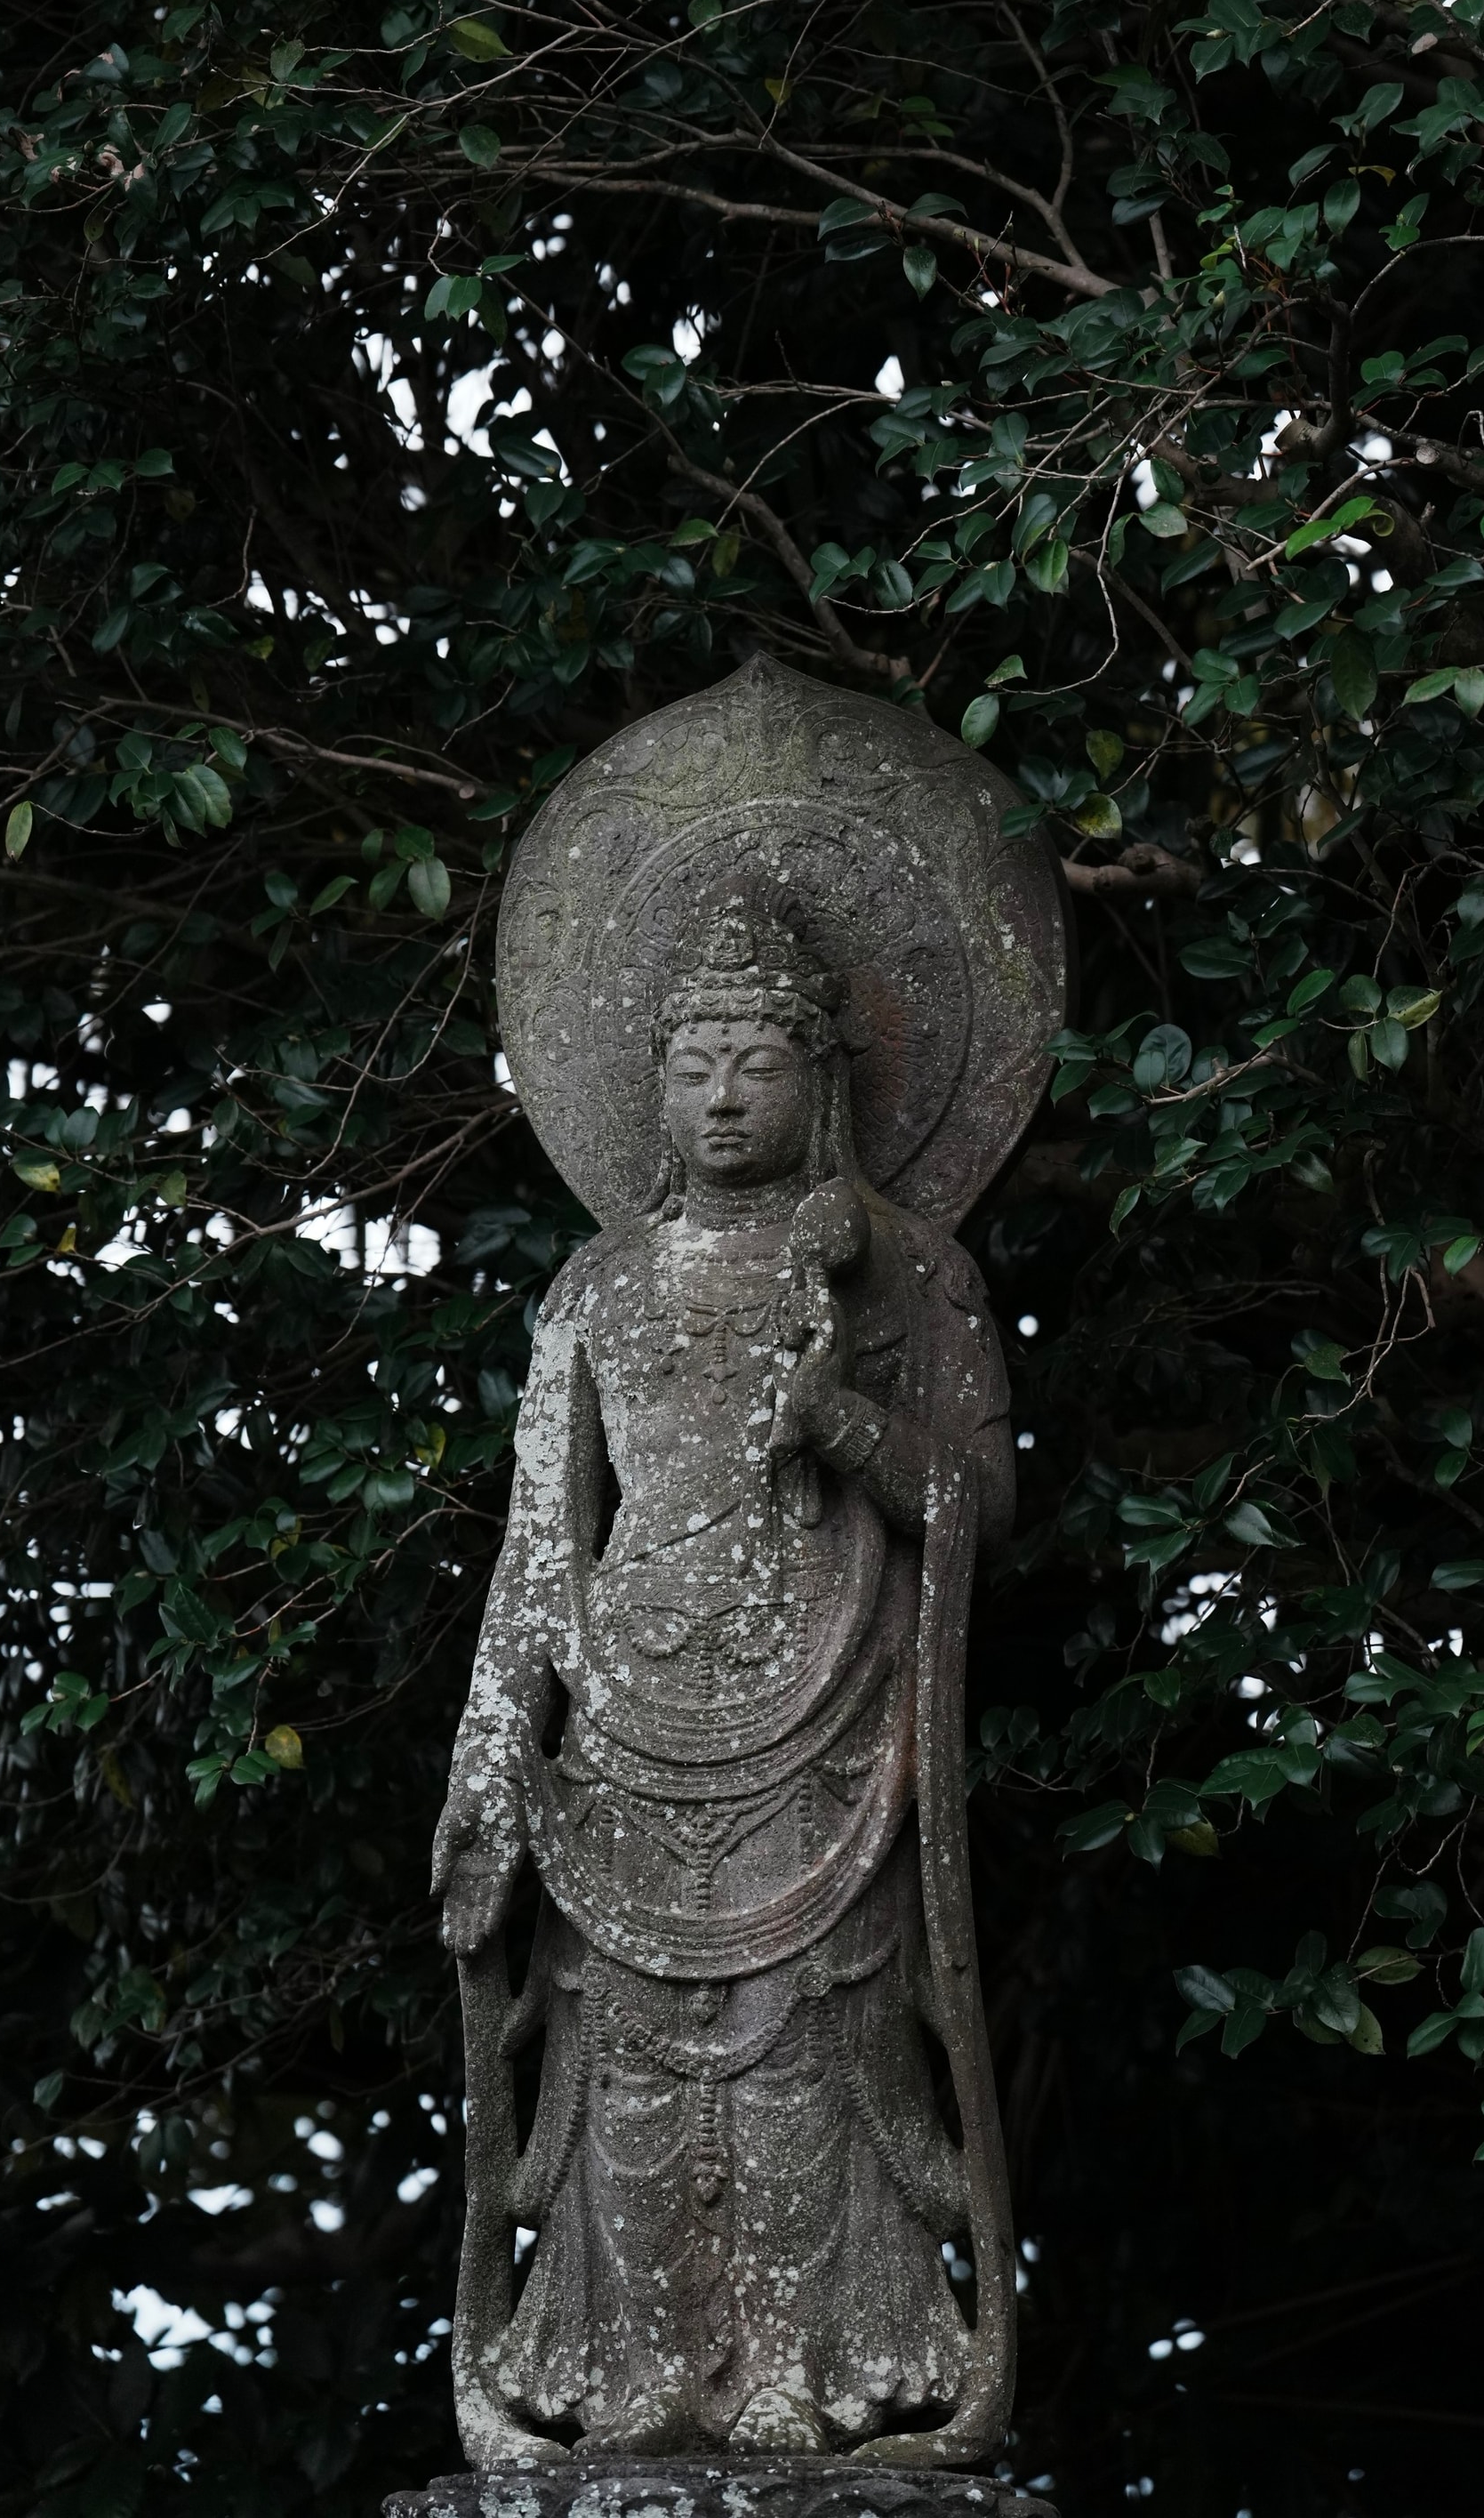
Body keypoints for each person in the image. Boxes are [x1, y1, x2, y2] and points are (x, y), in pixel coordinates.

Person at [433, 873, 1015, 2460]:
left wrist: (847, 1426)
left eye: (757, 1062)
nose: (725, 1096)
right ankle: (631, 2380)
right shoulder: (597, 1285)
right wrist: (490, 1759)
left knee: (810, 2048)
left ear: (823, 1078)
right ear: (649, 1084)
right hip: (623, 1716)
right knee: (620, 2056)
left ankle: (810, 2380)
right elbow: (538, 1544)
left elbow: (979, 1500)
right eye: (694, 1065)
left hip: (828, 1721)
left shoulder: (910, 1274)